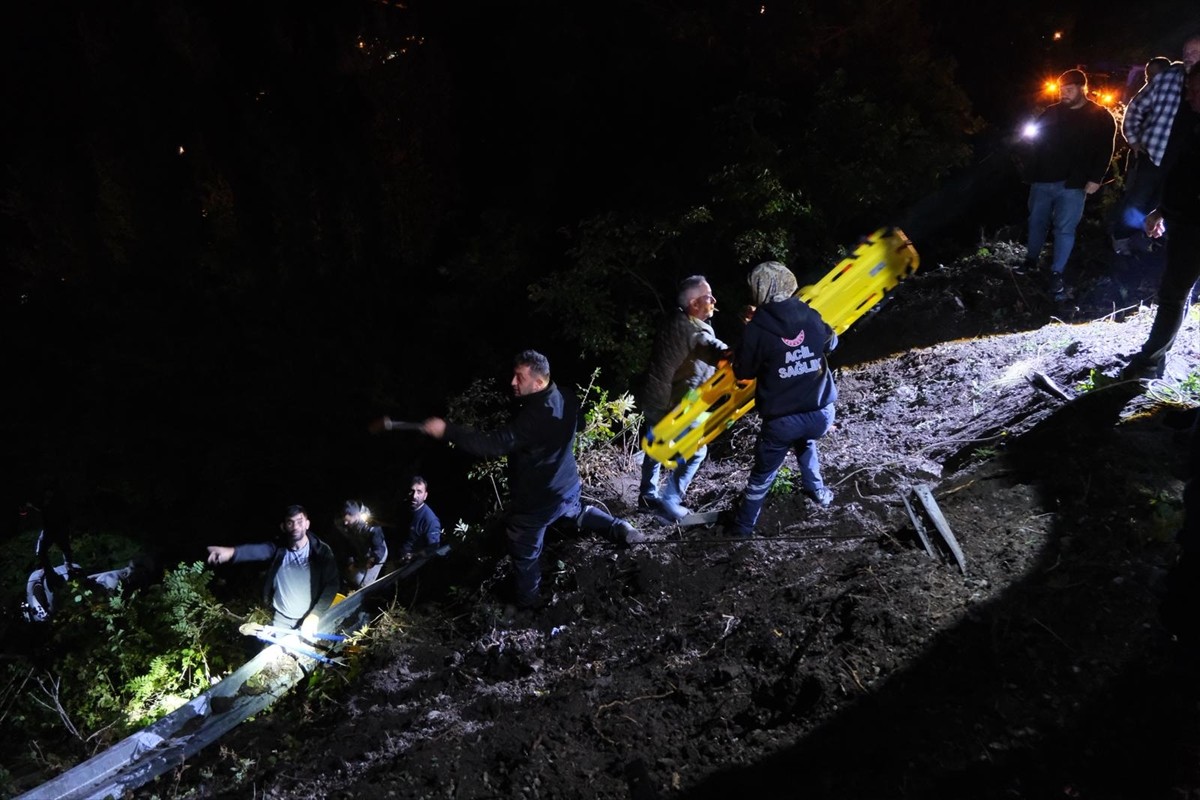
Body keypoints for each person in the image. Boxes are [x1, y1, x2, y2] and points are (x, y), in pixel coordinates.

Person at [420, 350, 645, 611]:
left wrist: (447, 430)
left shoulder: (534, 417)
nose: (512, 383)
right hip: (568, 485)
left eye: (519, 378)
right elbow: (580, 423)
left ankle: (529, 604)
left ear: (538, 382)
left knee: (524, 549)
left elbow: (493, 444)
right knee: (575, 512)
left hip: (539, 501)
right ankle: (621, 529)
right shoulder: (567, 396)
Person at [727, 262, 838, 537]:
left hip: (782, 421)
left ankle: (742, 527)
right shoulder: (810, 315)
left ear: (757, 291)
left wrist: (748, 332)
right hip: (822, 413)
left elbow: (743, 371)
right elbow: (831, 343)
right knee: (806, 440)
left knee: (762, 475)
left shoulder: (756, 329)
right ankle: (818, 492)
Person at [1123, 61, 1200, 381]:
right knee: (1174, 292)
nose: (1189, 96)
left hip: (1194, 223)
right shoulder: (1191, 121)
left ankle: (1149, 363)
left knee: (1173, 294)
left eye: (1196, 91)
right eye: (1188, 90)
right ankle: (1153, 360)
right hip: (1185, 222)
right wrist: (1162, 210)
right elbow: (1181, 174)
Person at [637, 275, 730, 521]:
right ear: (694, 303)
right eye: (708, 297)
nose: (713, 300)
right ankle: (670, 501)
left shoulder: (676, 320)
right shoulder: (691, 329)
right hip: (673, 404)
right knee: (696, 451)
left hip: (655, 398)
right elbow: (715, 349)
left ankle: (647, 496)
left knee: (656, 445)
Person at [1018, 68, 1116, 298]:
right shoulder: (1052, 113)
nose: (1064, 94)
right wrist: (1029, 169)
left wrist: (1095, 178)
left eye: (1069, 90)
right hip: (1043, 179)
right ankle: (1031, 260)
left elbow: (1105, 150)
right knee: (1036, 221)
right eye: (1062, 90)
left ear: (1083, 89)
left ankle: (1056, 273)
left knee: (1065, 228)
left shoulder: (1100, 116)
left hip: (1074, 183)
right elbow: (1034, 140)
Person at [1113, 35, 1200, 255]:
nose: (1188, 57)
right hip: (1154, 155)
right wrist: (1132, 139)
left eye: (1194, 52)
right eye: (1186, 52)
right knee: (1138, 200)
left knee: (1170, 204)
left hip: (1186, 163)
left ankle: (1152, 241)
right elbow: (1136, 107)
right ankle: (1121, 239)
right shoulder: (1167, 78)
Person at [206, 504, 340, 633]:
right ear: (283, 526)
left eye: (299, 522)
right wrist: (231, 553)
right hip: (282, 619)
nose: (295, 527)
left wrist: (315, 615)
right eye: (290, 522)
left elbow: (332, 584)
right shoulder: (277, 549)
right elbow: (258, 551)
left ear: (307, 524)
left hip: (311, 617)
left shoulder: (321, 551)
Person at [341, 500, 388, 588]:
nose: (345, 523)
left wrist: (373, 559)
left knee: (364, 584)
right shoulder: (348, 527)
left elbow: (379, 548)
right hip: (362, 552)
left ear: (357, 515)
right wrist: (350, 561)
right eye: (345, 520)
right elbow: (349, 546)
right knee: (352, 578)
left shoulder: (372, 526)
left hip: (377, 554)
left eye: (348, 520)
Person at [399, 476, 442, 561]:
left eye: (419, 492)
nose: (414, 496)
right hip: (396, 557)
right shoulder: (404, 508)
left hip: (410, 565)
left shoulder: (430, 520)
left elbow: (433, 548)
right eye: (412, 491)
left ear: (425, 495)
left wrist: (413, 556)